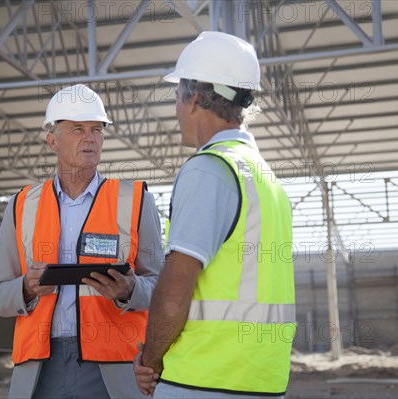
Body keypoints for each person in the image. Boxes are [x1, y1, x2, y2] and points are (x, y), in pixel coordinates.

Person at [133, 31, 296, 398]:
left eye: (177, 96)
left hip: (202, 378)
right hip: (262, 380)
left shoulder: (209, 169)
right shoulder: (267, 180)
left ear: (192, 98)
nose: (176, 108)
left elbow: (174, 293)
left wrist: (151, 358)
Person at [0, 84, 163, 399]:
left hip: (113, 370)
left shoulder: (136, 201)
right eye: (78, 129)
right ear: (52, 141)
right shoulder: (21, 205)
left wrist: (130, 290)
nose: (90, 138)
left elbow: (161, 287)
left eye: (97, 130)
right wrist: (26, 288)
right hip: (40, 370)